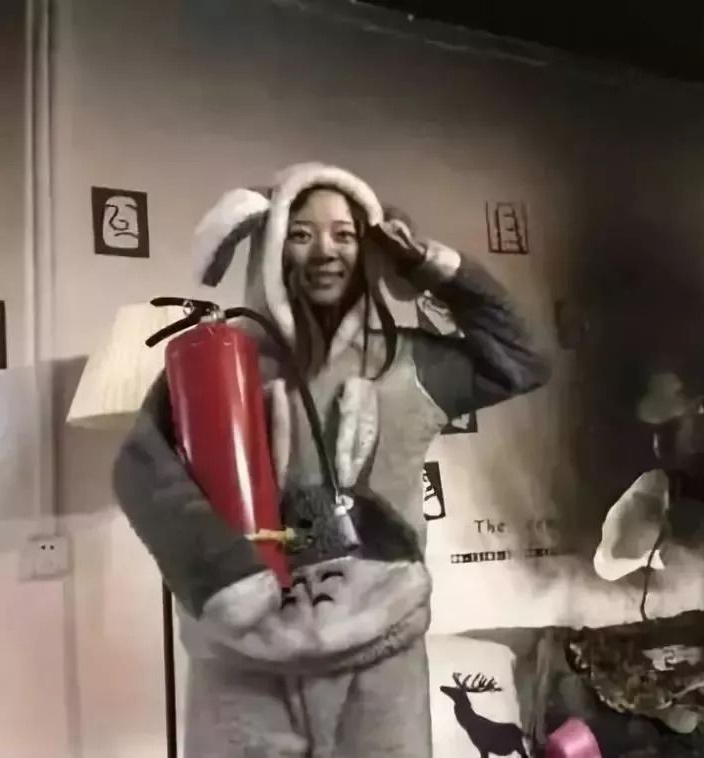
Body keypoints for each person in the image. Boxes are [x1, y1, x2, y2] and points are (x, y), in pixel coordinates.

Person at [112, 163, 549, 757]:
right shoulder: (215, 366)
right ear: (270, 245)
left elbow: (523, 360)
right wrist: (225, 578)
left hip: (378, 660)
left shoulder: (409, 365)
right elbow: (140, 467)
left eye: (345, 235)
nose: (325, 251)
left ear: (369, 249)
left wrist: (430, 267)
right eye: (301, 233)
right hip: (246, 666)